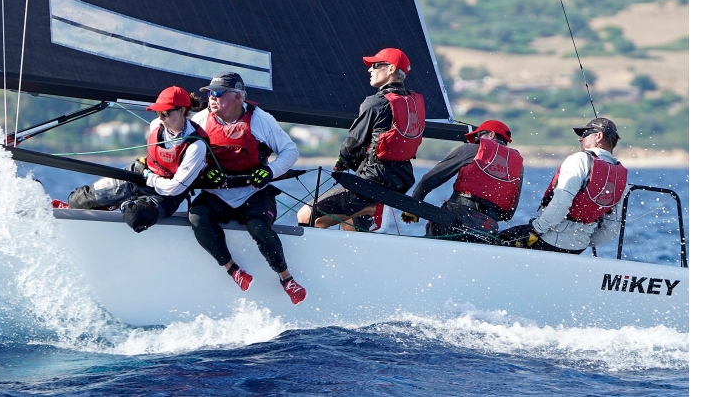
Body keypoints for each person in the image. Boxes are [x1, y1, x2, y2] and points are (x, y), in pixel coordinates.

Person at [187, 72, 307, 305]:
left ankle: (286, 279)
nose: (212, 98)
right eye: (210, 93)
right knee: (197, 216)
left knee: (258, 227)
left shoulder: (261, 120)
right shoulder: (200, 121)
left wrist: (270, 172)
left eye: (218, 93)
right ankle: (233, 270)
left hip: (254, 192)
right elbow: (186, 158)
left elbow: (290, 152)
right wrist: (203, 171)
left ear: (238, 97)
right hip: (217, 193)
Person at [296, 47, 425, 230]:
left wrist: (341, 162)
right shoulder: (413, 102)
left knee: (305, 215)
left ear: (391, 69)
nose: (369, 70)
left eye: (375, 65)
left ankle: (369, 209)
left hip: (372, 180)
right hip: (401, 179)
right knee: (343, 226)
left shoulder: (375, 102)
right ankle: (363, 214)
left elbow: (353, 142)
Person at [66, 86, 212, 233]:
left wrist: (149, 176)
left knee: (136, 217)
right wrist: (144, 173)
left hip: (165, 195)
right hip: (139, 174)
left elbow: (173, 188)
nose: (160, 117)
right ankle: (112, 201)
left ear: (181, 111)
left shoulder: (196, 146)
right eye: (158, 112)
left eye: (166, 112)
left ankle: (122, 203)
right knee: (76, 200)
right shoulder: (156, 125)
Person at [499, 117, 628, 254]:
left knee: (498, 240)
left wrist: (535, 229)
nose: (580, 139)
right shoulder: (620, 175)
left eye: (584, 134)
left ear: (599, 136)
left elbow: (561, 203)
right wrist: (582, 240)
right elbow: (612, 228)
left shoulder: (580, 159)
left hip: (548, 240)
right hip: (579, 246)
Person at [401, 120, 524, 243]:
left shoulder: (471, 149)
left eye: (478, 136)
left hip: (455, 220)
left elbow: (428, 181)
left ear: (491, 135)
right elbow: (508, 213)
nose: (476, 141)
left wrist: (413, 207)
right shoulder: (517, 165)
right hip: (487, 229)